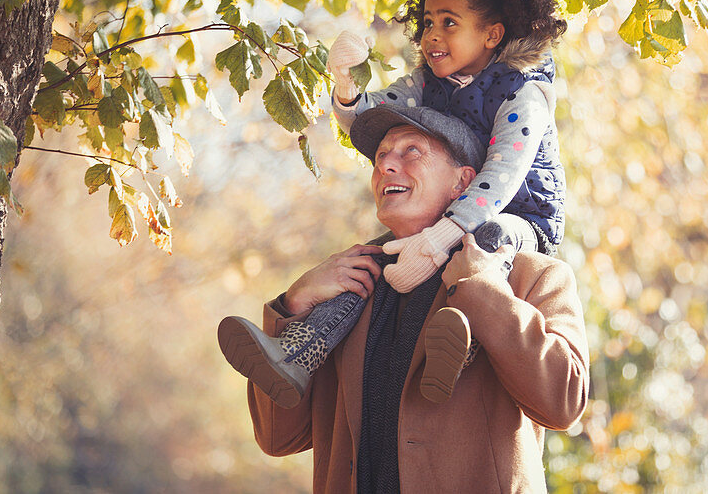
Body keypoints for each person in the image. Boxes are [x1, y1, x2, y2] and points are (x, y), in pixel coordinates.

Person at [222, 0, 569, 407]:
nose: (432, 35)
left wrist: (442, 236)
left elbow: (503, 177)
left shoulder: (525, 93)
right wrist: (346, 84)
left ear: (492, 34)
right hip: (459, 211)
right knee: (365, 262)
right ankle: (294, 353)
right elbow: (370, 114)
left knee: (487, 241)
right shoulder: (430, 83)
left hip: (521, 216)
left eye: (449, 23)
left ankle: (460, 345)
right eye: (427, 23)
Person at [221, 105, 589, 492]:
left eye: (411, 151)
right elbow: (278, 438)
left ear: (464, 182)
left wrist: (483, 289)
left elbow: (564, 402)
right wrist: (294, 306)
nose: (386, 167)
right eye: (381, 156)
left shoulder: (530, 275)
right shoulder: (345, 289)